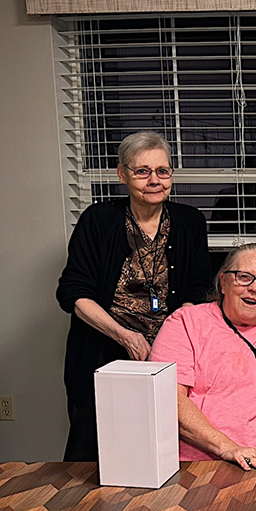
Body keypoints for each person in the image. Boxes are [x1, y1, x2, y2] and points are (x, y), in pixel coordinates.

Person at [56, 131, 213, 462]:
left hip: (170, 355)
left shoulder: (190, 222)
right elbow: (72, 291)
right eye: (142, 171)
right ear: (122, 174)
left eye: (163, 171)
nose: (154, 180)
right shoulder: (98, 221)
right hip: (102, 352)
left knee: (165, 447)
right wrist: (125, 336)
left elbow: (199, 288)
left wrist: (172, 335)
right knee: (98, 452)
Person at [150, 244, 256, 469]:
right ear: (224, 282)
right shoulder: (185, 323)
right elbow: (170, 401)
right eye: (244, 277)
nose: (255, 288)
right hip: (200, 465)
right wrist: (229, 448)